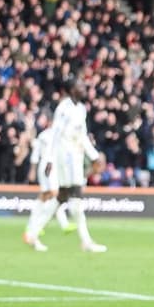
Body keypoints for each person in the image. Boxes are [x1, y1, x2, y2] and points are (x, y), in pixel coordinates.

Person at [24, 79, 107, 253]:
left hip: (76, 157)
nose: (84, 88)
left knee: (61, 198)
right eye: (80, 86)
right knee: (75, 196)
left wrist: (93, 155)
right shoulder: (64, 108)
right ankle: (86, 242)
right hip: (65, 157)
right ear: (71, 89)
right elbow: (55, 134)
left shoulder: (81, 109)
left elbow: (83, 135)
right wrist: (49, 159)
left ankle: (32, 233)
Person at [23, 120, 73, 252]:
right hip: (50, 167)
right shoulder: (55, 135)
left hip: (45, 166)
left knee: (44, 197)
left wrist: (33, 169)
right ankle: (37, 230)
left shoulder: (43, 135)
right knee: (55, 196)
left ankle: (31, 228)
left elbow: (35, 153)